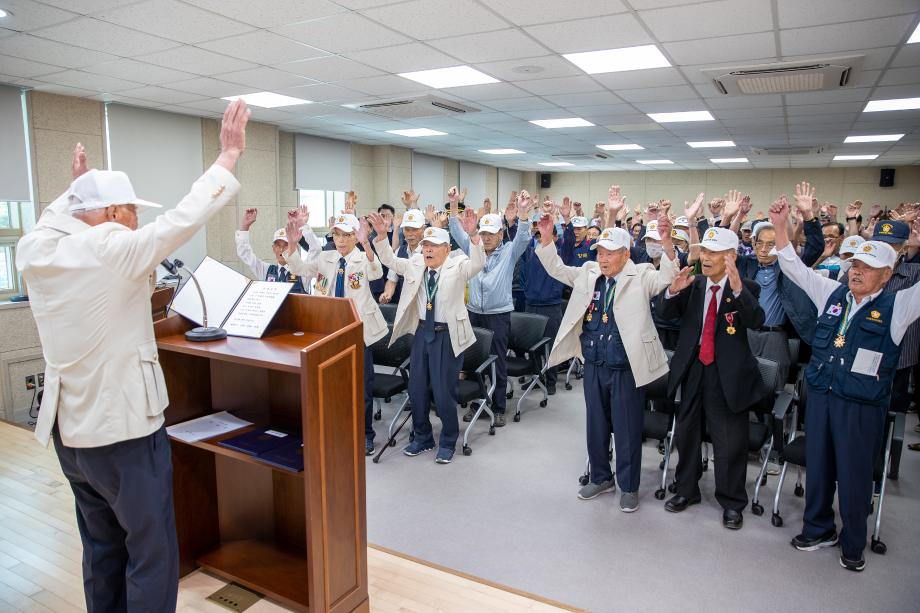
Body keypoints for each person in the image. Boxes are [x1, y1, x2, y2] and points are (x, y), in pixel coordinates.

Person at [15, 100, 250, 613]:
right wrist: (227, 158)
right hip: (122, 432)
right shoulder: (111, 248)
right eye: (131, 210)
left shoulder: (34, 250)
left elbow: (57, 218)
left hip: (72, 434)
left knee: (102, 547)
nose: (137, 218)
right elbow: (181, 220)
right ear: (113, 214)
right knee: (151, 552)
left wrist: (76, 188)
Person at [769, 196, 920, 572]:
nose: (857, 272)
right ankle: (818, 527)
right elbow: (794, 270)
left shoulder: (898, 307)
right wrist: (780, 226)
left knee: (854, 475)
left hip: (860, 405)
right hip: (821, 396)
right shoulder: (832, 294)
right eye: (856, 264)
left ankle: (853, 542)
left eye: (868, 268)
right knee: (819, 466)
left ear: (888, 274)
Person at [538, 198, 677, 511]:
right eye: (600, 251)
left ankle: (628, 486)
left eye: (609, 252)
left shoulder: (640, 275)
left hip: (625, 367)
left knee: (627, 428)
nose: (602, 257)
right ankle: (600, 476)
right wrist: (547, 240)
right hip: (594, 363)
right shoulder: (589, 273)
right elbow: (557, 269)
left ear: (625, 254)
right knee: (596, 424)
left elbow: (667, 278)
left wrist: (667, 244)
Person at [658, 226, 769, 530]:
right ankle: (686, 490)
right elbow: (664, 313)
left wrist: (736, 288)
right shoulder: (693, 284)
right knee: (687, 432)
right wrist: (672, 291)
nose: (705, 257)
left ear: (730, 257)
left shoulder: (745, 287)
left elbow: (757, 321)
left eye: (713, 252)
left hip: (727, 374)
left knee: (729, 440)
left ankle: (732, 501)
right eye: (703, 251)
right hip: (693, 367)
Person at [368, 209, 485, 464]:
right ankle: (422, 437)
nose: (427, 250)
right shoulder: (416, 263)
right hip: (422, 332)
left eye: (432, 246)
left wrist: (474, 234)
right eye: (425, 246)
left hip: (447, 336)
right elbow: (390, 260)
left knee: (443, 392)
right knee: (417, 388)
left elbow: (479, 263)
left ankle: (448, 440)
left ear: (446, 248)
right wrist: (381, 236)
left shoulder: (458, 265)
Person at [284, 211, 387, 456]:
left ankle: (365, 435)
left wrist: (366, 243)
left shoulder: (363, 257)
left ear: (356, 236)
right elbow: (300, 268)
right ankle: (336, 430)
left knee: (361, 388)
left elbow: (377, 272)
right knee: (331, 387)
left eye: (347, 235)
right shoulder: (326, 257)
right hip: (329, 332)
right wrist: (292, 244)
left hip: (357, 332)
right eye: (337, 235)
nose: (341, 240)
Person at [448, 188, 534, 427]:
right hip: (474, 312)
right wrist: (454, 205)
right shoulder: (474, 248)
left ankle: (497, 407)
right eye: (483, 233)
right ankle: (478, 403)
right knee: (475, 361)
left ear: (501, 234)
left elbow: (524, 237)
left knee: (497, 362)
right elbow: (456, 232)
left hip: (498, 316)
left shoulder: (508, 252)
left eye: (491, 234)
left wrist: (524, 214)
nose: (485, 238)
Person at [520, 216, 565, 394]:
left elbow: (568, 242)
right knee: (533, 346)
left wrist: (565, 220)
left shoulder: (559, 253)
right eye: (538, 236)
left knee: (551, 346)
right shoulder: (531, 253)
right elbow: (519, 242)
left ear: (554, 237)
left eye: (544, 235)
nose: (540, 238)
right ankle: (537, 378)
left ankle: (551, 380)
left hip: (551, 306)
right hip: (531, 304)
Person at [236, 207, 310, 293]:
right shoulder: (266, 270)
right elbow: (245, 254)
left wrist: (303, 226)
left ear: (295, 247)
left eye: (286, 245)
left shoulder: (303, 271)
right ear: (273, 248)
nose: (281, 249)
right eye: (278, 245)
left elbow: (315, 253)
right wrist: (245, 227)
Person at [379, 207, 427, 305]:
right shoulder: (399, 252)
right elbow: (392, 280)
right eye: (407, 229)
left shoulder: (430, 252)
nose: (410, 234)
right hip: (405, 306)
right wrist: (387, 294)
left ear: (423, 229)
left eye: (414, 229)